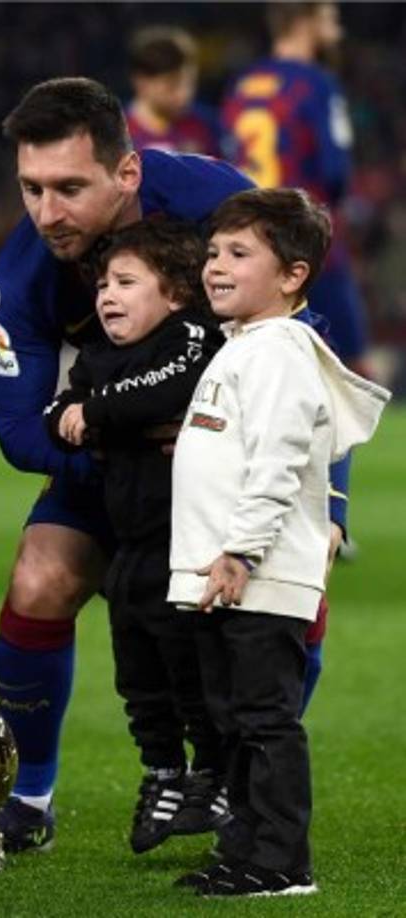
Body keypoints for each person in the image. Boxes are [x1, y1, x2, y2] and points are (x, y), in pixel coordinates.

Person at [0, 76, 253, 853]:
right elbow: (17, 433)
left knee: (291, 588)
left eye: (70, 187)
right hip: (119, 461)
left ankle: (243, 784)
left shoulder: (215, 204)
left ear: (127, 173)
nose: (46, 212)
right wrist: (132, 446)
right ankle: (29, 800)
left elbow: (308, 325)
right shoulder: (23, 273)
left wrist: (323, 499)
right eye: (31, 189)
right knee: (40, 578)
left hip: (236, 460)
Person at [168, 187, 389, 897]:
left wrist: (241, 550)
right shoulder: (245, 349)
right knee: (234, 724)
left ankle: (281, 862)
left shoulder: (279, 353)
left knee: (264, 721)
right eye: (212, 253)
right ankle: (245, 850)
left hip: (254, 574)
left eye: (239, 253)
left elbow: (281, 458)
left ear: (293, 275)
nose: (216, 267)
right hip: (226, 575)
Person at [45, 218, 229, 854]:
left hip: (191, 547)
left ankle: (212, 773)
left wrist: (96, 415)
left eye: (125, 281)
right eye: (101, 284)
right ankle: (162, 772)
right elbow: (54, 412)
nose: (106, 295)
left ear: (175, 294)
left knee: (192, 667)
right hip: (130, 544)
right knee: (137, 672)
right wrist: (98, 414)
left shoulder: (193, 336)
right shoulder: (100, 354)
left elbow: (165, 390)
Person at [221, 2, 372, 377]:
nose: (338, 29)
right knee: (350, 365)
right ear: (306, 22)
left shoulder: (241, 84)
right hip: (305, 235)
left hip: (249, 240)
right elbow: (335, 170)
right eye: (330, 19)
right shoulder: (316, 83)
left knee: (260, 362)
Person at [126, 25, 222, 157]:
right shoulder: (117, 136)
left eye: (190, 83)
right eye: (171, 87)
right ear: (142, 83)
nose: (184, 94)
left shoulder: (208, 126)